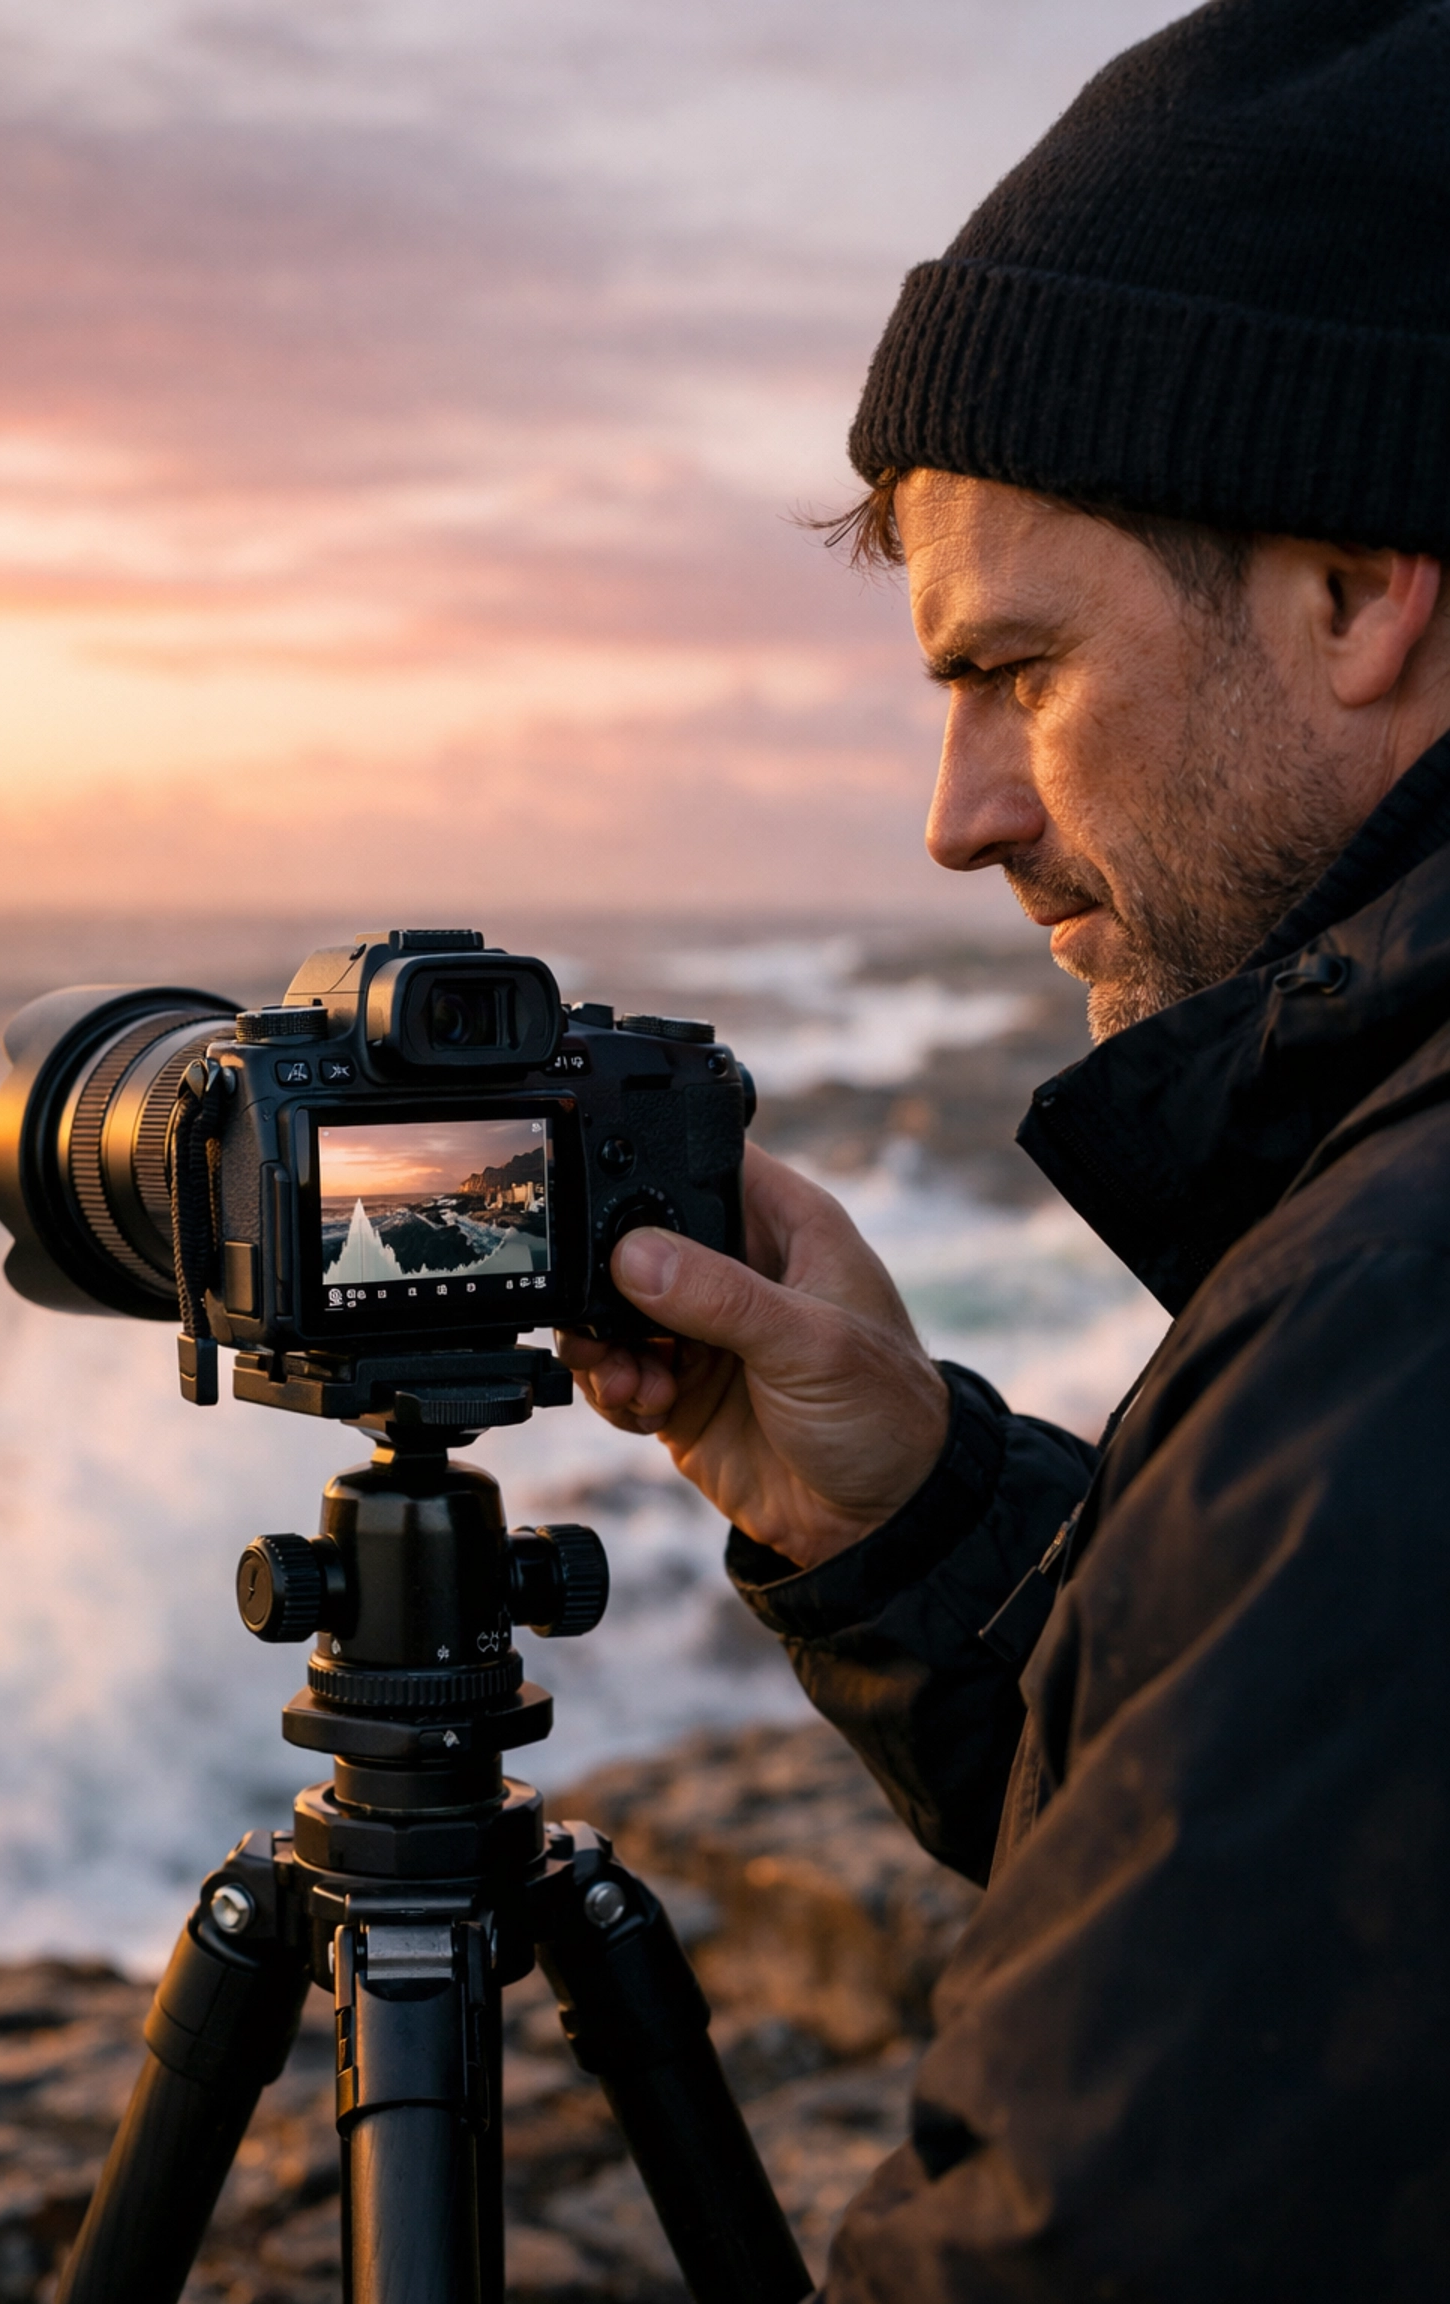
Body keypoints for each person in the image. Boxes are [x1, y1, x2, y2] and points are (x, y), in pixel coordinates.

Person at [558, 2, 1450, 2295]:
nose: (955, 819)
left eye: (1018, 671)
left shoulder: (1404, 1304)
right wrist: (911, 1522)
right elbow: (1321, 1896)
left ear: (1357, 591)